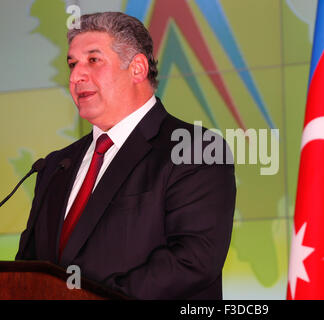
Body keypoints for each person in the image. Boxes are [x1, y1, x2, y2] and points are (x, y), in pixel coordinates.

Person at [15, 12, 236, 300]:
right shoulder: (56, 165)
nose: (75, 76)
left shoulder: (197, 150)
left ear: (137, 68)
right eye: (72, 64)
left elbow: (192, 261)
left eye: (93, 60)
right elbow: (28, 269)